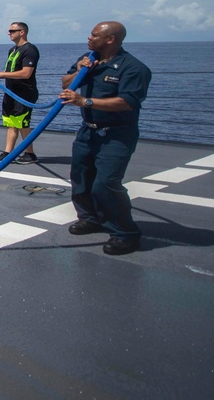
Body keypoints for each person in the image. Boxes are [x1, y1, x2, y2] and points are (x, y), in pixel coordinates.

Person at [59, 21, 152, 256]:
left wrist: (85, 101)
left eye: (94, 35)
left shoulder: (133, 68)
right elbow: (66, 82)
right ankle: (90, 219)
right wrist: (81, 70)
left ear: (110, 39)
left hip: (117, 134)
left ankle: (125, 233)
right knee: (80, 177)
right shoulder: (88, 58)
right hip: (88, 131)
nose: (89, 38)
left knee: (106, 184)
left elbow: (127, 102)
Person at [0, 22, 39, 163]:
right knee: (11, 123)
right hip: (11, 92)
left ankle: (30, 153)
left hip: (24, 94)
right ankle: (8, 153)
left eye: (12, 30)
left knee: (22, 124)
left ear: (22, 32)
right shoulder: (12, 50)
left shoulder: (30, 50)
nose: (9, 33)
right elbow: (10, 71)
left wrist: (1, 74)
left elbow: (26, 73)